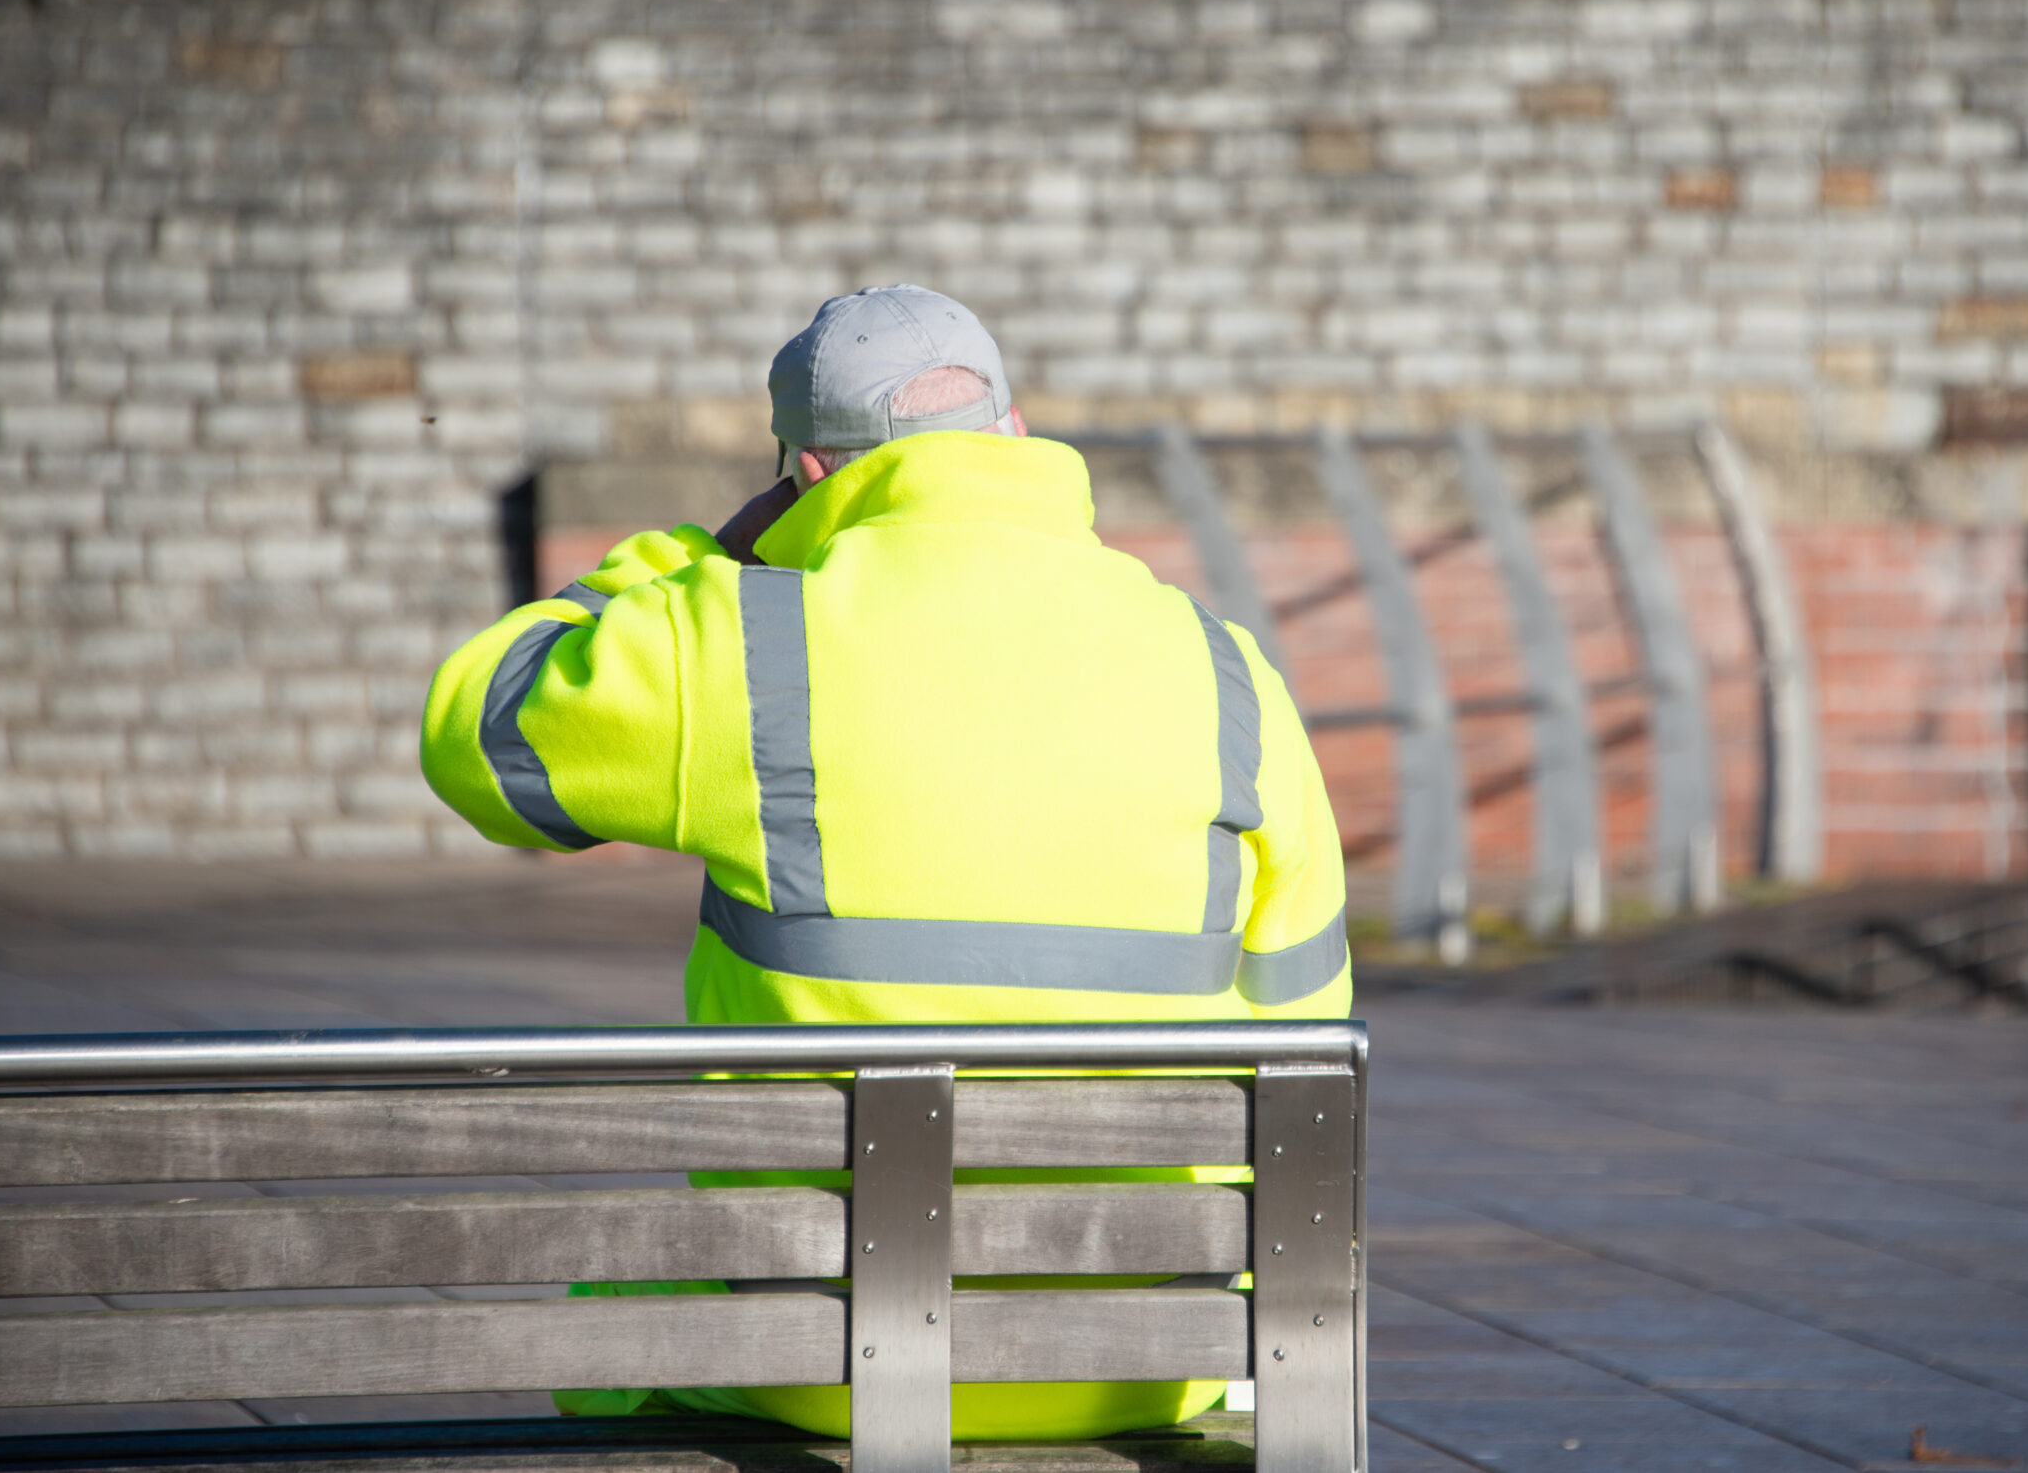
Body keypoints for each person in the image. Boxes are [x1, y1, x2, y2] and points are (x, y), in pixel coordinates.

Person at [421, 284, 1350, 1441]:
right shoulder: (1227, 671)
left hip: (824, 1354)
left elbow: (478, 735)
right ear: (1014, 439)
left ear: (805, 475)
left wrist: (692, 555)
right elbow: (1307, 1030)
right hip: (1150, 1351)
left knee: (616, 1316)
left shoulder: (744, 638)